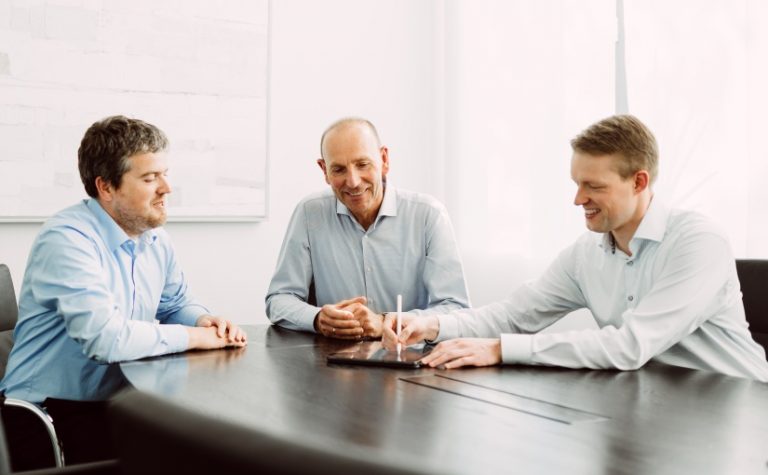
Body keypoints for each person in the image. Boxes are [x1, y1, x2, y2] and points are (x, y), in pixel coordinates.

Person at [383, 114, 768, 382]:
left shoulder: (699, 243)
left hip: (738, 410)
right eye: (576, 183)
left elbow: (628, 346)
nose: (578, 199)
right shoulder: (586, 255)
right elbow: (516, 314)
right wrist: (429, 324)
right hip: (655, 402)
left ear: (639, 181)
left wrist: (501, 349)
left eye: (594, 186)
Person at [0, 115, 247, 465]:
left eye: (165, 174)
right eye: (150, 178)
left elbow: (174, 303)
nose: (166, 188)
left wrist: (206, 321)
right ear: (106, 187)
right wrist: (194, 337)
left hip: (115, 402)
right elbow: (106, 339)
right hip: (48, 414)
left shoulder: (154, 236)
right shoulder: (66, 239)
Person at [266, 117, 470, 339]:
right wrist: (317, 318)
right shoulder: (309, 213)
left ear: (384, 160)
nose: (353, 181)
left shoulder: (429, 215)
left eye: (362, 164)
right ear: (324, 170)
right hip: (333, 363)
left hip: (412, 359)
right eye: (339, 169)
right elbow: (279, 300)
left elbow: (455, 309)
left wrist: (386, 322)